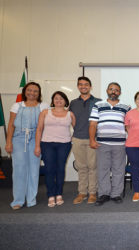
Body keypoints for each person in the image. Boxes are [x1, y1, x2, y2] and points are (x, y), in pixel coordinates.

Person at [5, 82, 49, 210]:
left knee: (34, 169)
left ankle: (31, 199)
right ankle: (18, 200)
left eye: (35, 91)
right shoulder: (17, 105)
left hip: (36, 139)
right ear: (25, 91)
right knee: (19, 169)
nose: (32, 93)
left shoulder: (43, 106)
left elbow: (45, 125)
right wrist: (8, 142)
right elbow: (11, 124)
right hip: (18, 139)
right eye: (29, 90)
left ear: (39, 93)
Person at [89, 82, 131, 206]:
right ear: (107, 90)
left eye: (116, 90)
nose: (114, 91)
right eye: (111, 89)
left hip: (120, 144)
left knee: (119, 169)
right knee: (103, 169)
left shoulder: (126, 107)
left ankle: (116, 194)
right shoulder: (98, 105)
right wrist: (92, 140)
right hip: (102, 143)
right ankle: (103, 194)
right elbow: (93, 124)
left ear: (120, 93)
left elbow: (128, 126)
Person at [34, 91, 76, 207]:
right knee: (49, 169)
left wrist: (72, 138)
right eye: (56, 98)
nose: (58, 100)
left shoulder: (70, 114)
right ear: (53, 101)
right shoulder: (45, 112)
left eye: (61, 98)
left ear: (65, 101)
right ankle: (51, 195)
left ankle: (59, 194)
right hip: (47, 144)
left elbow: (76, 129)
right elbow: (39, 129)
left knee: (60, 169)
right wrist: (37, 146)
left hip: (64, 144)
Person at [69, 76, 101, 205]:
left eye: (86, 84)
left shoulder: (98, 102)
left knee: (93, 167)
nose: (83, 86)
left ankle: (92, 193)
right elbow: (70, 120)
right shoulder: (73, 103)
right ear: (78, 86)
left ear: (90, 86)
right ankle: (82, 192)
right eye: (81, 84)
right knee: (81, 167)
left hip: (93, 139)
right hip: (77, 138)